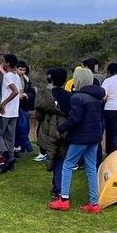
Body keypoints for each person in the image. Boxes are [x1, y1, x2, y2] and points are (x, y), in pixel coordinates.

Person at [48, 67, 106, 213]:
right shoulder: (98, 97)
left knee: (67, 164)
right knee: (91, 168)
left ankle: (64, 199)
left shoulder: (77, 97)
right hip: (94, 137)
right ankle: (94, 203)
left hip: (80, 137)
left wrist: (61, 129)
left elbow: (75, 120)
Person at [35, 67, 71, 202]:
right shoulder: (69, 96)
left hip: (49, 130)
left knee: (54, 158)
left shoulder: (45, 95)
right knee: (62, 159)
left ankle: (58, 190)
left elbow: (38, 114)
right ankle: (61, 189)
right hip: (64, 130)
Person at [0, 53, 19, 172]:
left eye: (3, 62)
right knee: (10, 137)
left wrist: (3, 103)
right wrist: (2, 71)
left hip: (5, 111)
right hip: (14, 111)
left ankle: (6, 156)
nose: (2, 64)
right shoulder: (15, 76)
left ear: (8, 64)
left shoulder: (7, 77)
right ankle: (11, 161)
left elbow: (15, 91)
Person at [14, 60, 36, 156]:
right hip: (15, 106)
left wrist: (27, 95)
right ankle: (18, 147)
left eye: (24, 70)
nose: (22, 72)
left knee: (23, 127)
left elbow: (32, 92)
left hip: (24, 106)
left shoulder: (27, 80)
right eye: (20, 70)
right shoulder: (12, 78)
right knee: (17, 128)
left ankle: (21, 147)